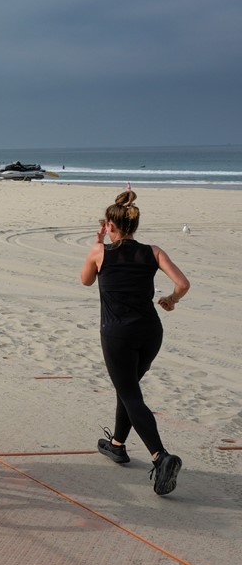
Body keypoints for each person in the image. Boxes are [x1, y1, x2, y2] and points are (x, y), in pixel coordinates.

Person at [80, 190, 190, 496]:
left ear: (110, 226)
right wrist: (170, 299)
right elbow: (183, 284)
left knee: (130, 393)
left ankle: (161, 456)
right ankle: (117, 444)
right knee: (128, 389)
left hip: (118, 334)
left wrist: (97, 246)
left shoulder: (100, 253)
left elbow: (85, 280)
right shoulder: (153, 252)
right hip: (150, 332)